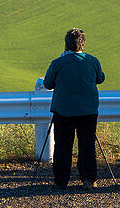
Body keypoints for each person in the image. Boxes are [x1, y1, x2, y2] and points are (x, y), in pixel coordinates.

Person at [43, 28, 105, 191]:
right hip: (88, 110)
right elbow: (100, 78)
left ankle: (61, 181)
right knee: (87, 145)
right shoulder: (92, 61)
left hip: (64, 110)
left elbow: (48, 83)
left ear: (66, 44)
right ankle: (89, 179)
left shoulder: (57, 63)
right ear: (82, 44)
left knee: (63, 145)